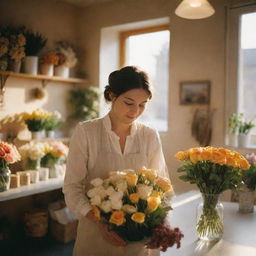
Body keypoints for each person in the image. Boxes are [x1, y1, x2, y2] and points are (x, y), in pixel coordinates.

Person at [63, 66, 170, 256]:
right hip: (96, 236)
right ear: (112, 96)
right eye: (129, 103)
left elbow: (162, 187)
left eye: (142, 104)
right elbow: (72, 188)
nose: (135, 111)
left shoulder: (149, 136)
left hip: (140, 238)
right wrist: (100, 224)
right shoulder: (86, 132)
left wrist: (161, 226)